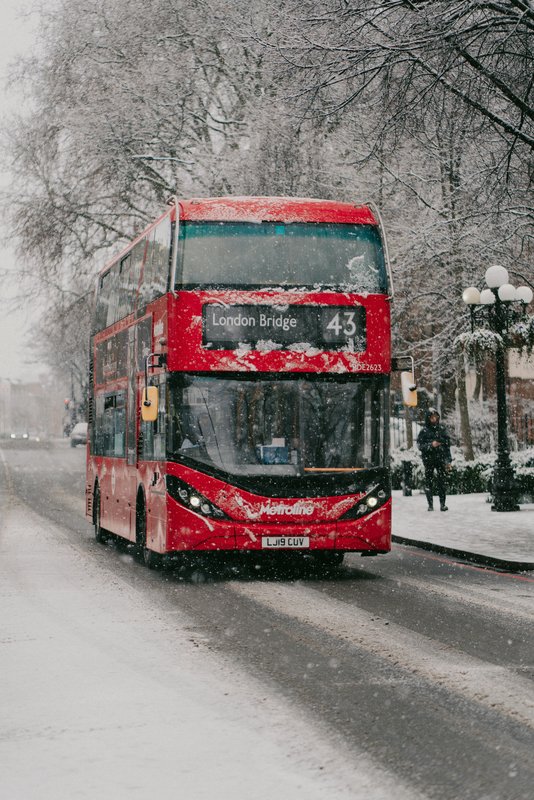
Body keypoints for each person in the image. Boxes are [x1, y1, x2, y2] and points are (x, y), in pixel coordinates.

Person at [417, 407, 452, 511]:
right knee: (429, 482)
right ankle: (430, 505)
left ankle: (442, 504)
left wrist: (448, 461)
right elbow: (420, 446)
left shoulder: (442, 430)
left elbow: (447, 446)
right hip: (429, 460)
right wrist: (431, 445)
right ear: (428, 418)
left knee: (442, 482)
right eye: (432, 417)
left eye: (436, 417)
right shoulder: (424, 431)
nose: (434, 419)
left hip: (440, 459)